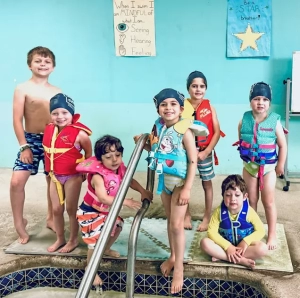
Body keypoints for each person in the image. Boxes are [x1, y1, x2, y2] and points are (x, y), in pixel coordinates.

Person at [134, 88, 208, 294]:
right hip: (164, 182)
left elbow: (193, 161)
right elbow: (160, 150)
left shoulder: (186, 130)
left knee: (177, 225)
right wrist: (146, 146)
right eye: (164, 105)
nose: (168, 108)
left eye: (173, 104)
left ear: (181, 108)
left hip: (179, 182)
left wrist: (187, 189)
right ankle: (173, 256)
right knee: (170, 222)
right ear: (158, 109)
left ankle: (179, 269)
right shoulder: (159, 128)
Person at [76, 135, 153, 286]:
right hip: (90, 212)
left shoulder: (119, 168)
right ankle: (90, 269)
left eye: (117, 155)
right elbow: (103, 198)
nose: (114, 160)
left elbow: (129, 180)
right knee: (94, 242)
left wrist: (142, 191)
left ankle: (106, 249)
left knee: (118, 225)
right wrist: (126, 202)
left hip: (105, 212)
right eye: (108, 157)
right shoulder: (98, 176)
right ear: (100, 159)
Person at [10, 46, 62, 244]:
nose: (42, 64)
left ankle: (51, 218)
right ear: (29, 64)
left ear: (53, 67)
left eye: (47, 62)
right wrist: (24, 146)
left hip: (52, 139)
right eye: (38, 61)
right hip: (30, 139)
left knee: (53, 180)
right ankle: (18, 223)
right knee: (17, 181)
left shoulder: (57, 91)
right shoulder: (22, 88)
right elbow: (17, 120)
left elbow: (62, 118)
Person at [235, 82, 287, 250]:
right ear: (251, 101)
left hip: (269, 168)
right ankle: (252, 231)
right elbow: (242, 141)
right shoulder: (243, 120)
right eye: (256, 98)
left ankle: (271, 233)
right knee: (251, 200)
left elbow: (282, 145)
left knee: (268, 201)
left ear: (269, 103)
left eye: (265, 99)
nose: (260, 102)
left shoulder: (275, 122)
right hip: (250, 167)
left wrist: (280, 165)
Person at [43, 93, 93, 253]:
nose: (60, 117)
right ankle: (60, 239)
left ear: (72, 114)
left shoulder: (80, 134)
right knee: (57, 209)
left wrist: (85, 169)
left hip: (73, 176)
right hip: (54, 176)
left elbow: (88, 152)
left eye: (65, 113)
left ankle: (72, 240)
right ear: (51, 115)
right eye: (55, 113)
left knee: (71, 209)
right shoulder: (48, 129)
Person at [184, 71, 224, 232]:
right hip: (185, 152)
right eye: (194, 86)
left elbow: (217, 132)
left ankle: (207, 216)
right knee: (183, 183)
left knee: (207, 183)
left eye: (201, 86)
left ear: (206, 89)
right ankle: (186, 214)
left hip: (203, 152)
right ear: (188, 89)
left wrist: (207, 151)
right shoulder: (181, 107)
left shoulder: (210, 108)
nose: (198, 89)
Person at [200, 174, 268, 269]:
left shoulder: (249, 212)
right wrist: (228, 247)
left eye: (237, 195)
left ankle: (222, 256)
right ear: (223, 196)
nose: (232, 199)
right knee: (204, 243)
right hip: (224, 247)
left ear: (245, 197)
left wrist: (245, 242)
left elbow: (261, 230)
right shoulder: (219, 212)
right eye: (228, 195)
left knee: (263, 248)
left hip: (243, 249)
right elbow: (211, 232)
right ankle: (240, 260)